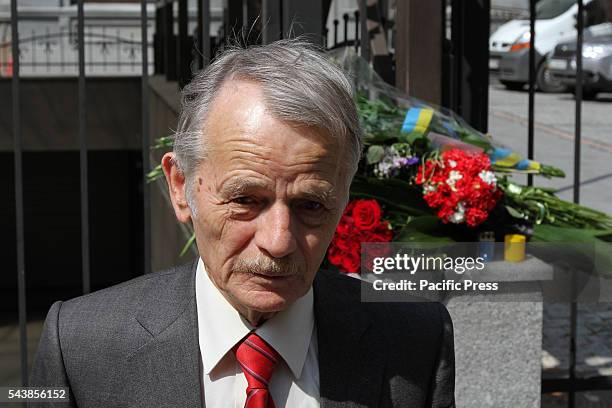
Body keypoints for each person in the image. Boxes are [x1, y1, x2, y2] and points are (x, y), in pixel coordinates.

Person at [29, 38, 455, 408]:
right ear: (181, 187)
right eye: (246, 200)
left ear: (344, 197)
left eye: (310, 204)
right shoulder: (82, 347)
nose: (279, 241)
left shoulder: (415, 342)